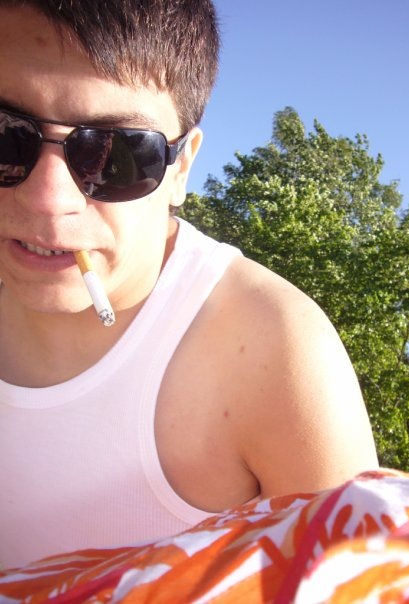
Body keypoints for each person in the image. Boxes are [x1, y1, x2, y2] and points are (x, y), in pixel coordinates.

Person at [0, 0, 378, 570]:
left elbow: (357, 582)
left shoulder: (273, 349)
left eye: (116, 153)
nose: (48, 201)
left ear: (180, 169)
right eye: (7, 136)